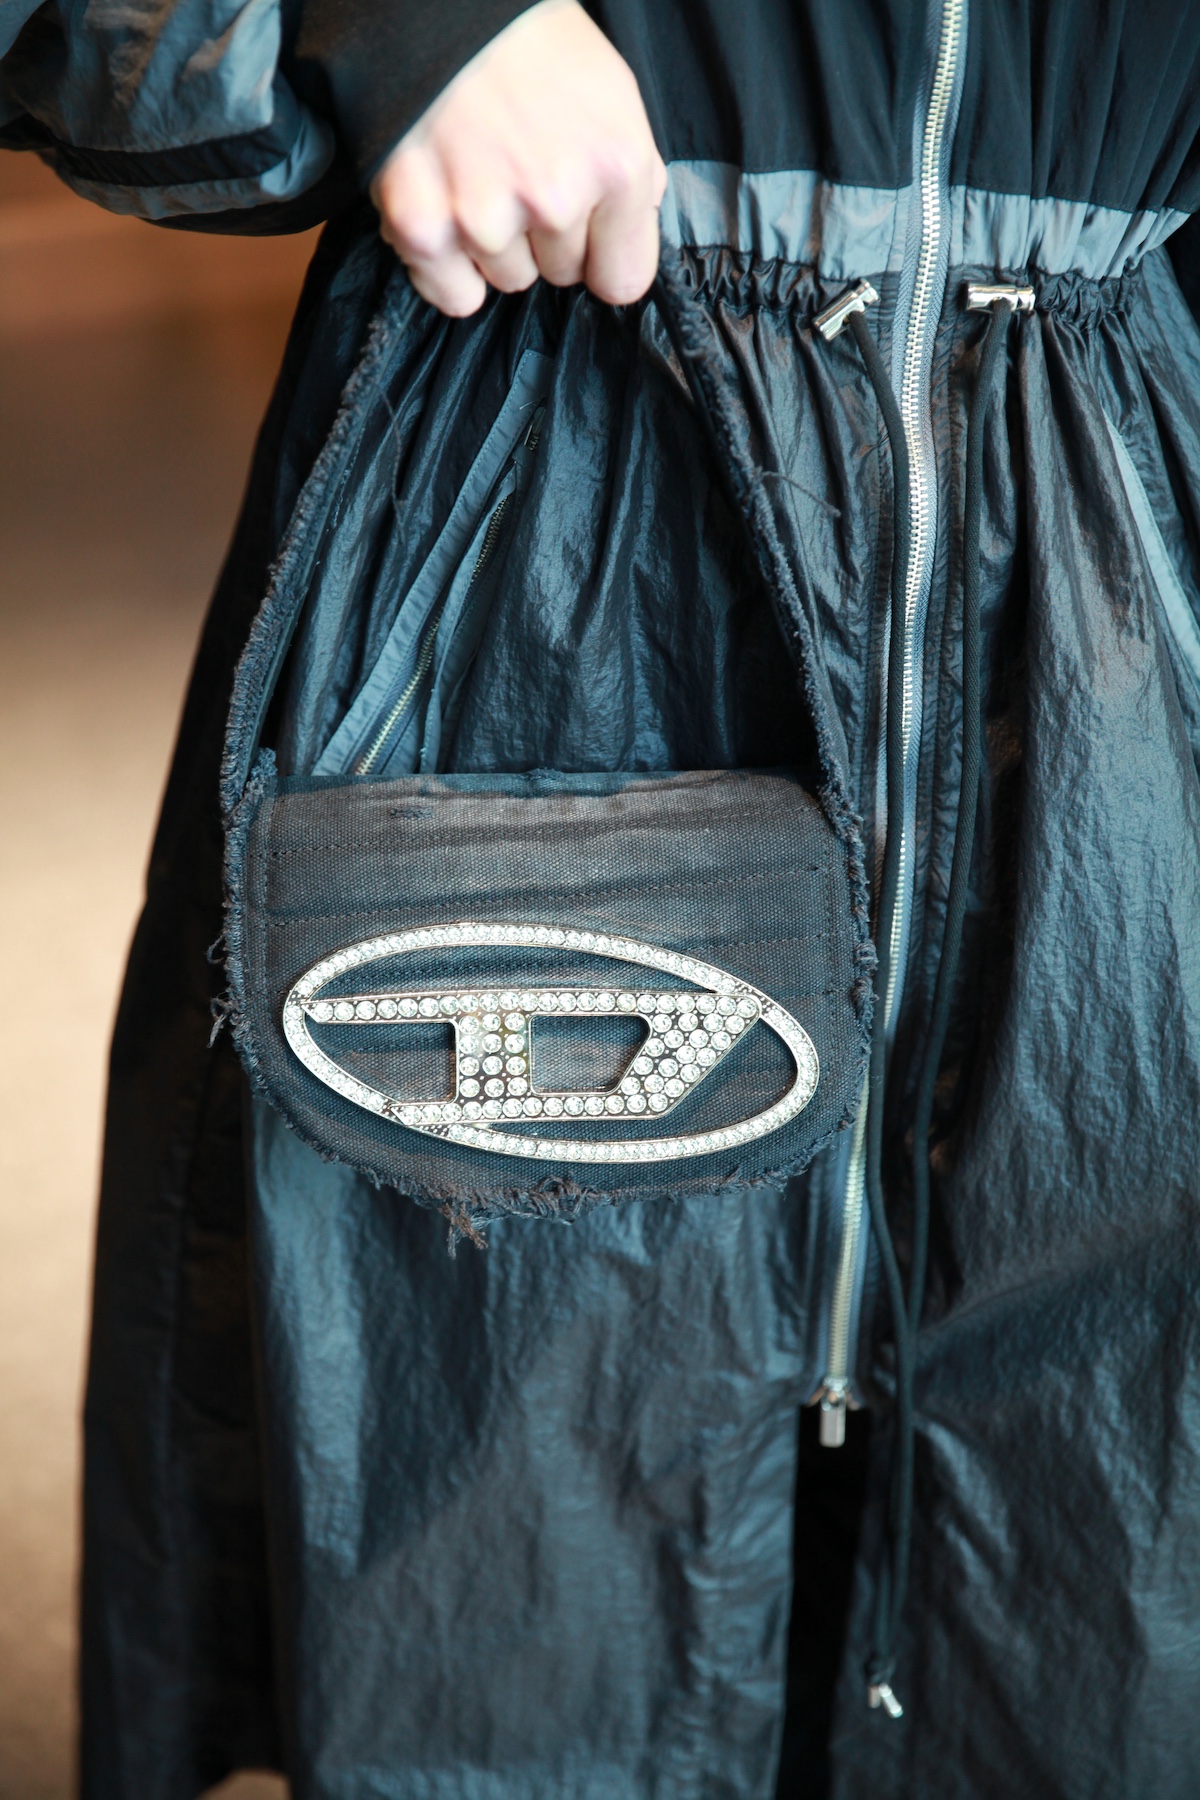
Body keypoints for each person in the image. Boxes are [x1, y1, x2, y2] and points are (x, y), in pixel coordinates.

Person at [4, 2, 1200, 1795]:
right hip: (553, 503)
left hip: (1121, 570)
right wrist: (391, 23)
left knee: (1084, 1571)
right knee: (506, 1594)